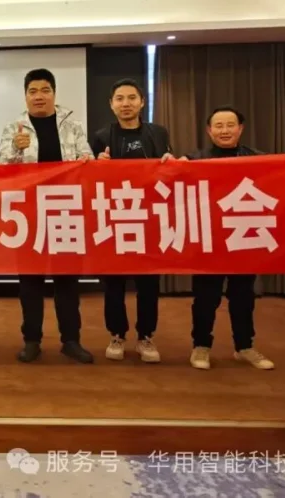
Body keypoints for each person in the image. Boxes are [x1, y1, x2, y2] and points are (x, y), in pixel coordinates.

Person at [0, 68, 95, 364]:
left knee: (67, 281)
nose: (39, 96)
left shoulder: (73, 125)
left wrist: (89, 162)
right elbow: (2, 170)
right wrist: (16, 150)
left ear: (54, 93)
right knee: (30, 282)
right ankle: (31, 340)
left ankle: (71, 340)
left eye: (44, 90)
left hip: (66, 211)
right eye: (33, 91)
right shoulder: (14, 128)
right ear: (25, 96)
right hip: (29, 214)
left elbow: (88, 161)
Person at [91, 78, 175, 364]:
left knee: (148, 283)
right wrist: (98, 167)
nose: (125, 104)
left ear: (142, 102)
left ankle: (145, 336)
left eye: (131, 98)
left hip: (149, 219)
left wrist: (170, 161)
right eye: (119, 99)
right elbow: (91, 180)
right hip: (115, 218)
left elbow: (167, 168)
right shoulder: (102, 136)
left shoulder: (158, 133)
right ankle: (117, 334)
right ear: (111, 104)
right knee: (113, 283)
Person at [184, 106, 274, 371]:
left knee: (243, 296)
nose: (224, 130)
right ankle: (201, 346)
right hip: (209, 242)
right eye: (219, 126)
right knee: (205, 298)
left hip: (243, 238)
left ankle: (244, 346)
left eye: (230, 125)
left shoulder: (260, 160)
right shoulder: (195, 159)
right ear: (209, 130)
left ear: (240, 129)